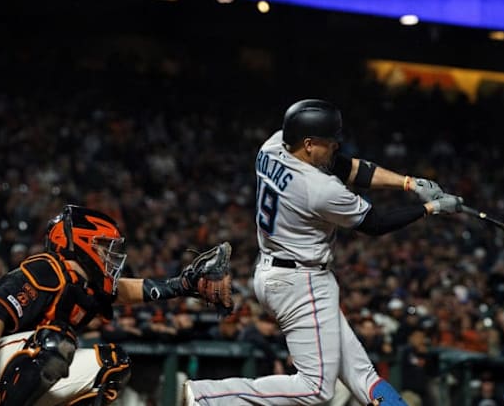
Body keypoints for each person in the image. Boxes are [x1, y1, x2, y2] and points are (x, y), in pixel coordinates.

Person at [184, 99, 464, 405]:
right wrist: (429, 208)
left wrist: (409, 183)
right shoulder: (319, 189)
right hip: (300, 282)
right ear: (308, 144)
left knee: (363, 376)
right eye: (329, 142)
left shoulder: (273, 146)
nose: (335, 147)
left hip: (275, 271)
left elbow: (345, 166)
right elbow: (375, 224)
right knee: (316, 388)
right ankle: (204, 396)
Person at [0, 205, 232, 405]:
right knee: (54, 343)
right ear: (82, 243)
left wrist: (181, 285)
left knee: (112, 364)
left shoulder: (81, 283)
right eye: (104, 246)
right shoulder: (46, 270)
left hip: (13, 365)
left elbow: (125, 290)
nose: (110, 255)